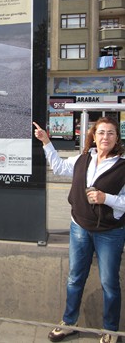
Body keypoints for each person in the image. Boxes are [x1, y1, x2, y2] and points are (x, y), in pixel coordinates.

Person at [33, 116, 125, 343]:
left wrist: (107, 198)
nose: (105, 137)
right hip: (79, 228)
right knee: (75, 278)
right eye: (101, 132)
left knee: (109, 283)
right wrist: (46, 141)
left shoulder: (123, 165)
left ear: (117, 138)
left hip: (110, 232)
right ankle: (69, 323)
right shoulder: (84, 158)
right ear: (93, 135)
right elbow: (59, 167)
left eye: (111, 133)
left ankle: (111, 330)